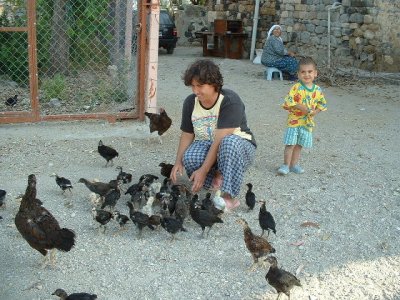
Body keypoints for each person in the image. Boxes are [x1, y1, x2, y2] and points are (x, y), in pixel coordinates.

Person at [170, 59, 257, 210]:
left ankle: (229, 196)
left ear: (214, 84)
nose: (196, 91)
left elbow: (219, 141)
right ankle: (218, 176)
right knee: (189, 157)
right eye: (193, 86)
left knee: (228, 143)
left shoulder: (230, 101)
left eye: (200, 86)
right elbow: (187, 134)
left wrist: (203, 170)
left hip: (238, 147)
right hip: (208, 144)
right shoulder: (191, 102)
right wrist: (178, 162)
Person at [277, 57, 327, 175]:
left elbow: (322, 103)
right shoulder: (296, 88)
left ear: (315, 73)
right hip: (294, 121)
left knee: (299, 145)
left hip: (307, 123)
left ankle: (294, 165)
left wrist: (316, 111)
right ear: (298, 74)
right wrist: (299, 106)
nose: (307, 74)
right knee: (290, 143)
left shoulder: (318, 90)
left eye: (309, 72)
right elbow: (288, 101)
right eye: (303, 72)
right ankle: (286, 165)